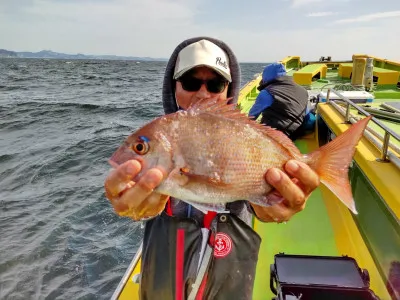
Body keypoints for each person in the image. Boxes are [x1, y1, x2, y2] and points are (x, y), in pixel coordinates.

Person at [104, 37, 319, 300]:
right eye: (191, 82)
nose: (204, 93)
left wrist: (271, 208)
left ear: (229, 90)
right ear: (173, 88)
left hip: (232, 281)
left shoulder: (240, 136)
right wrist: (130, 206)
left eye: (216, 84)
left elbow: (256, 203)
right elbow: (137, 201)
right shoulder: (162, 137)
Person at [249, 62, 315, 140]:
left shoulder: (267, 92)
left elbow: (251, 117)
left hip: (277, 134)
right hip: (297, 132)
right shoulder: (303, 90)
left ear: (265, 77)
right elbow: (306, 113)